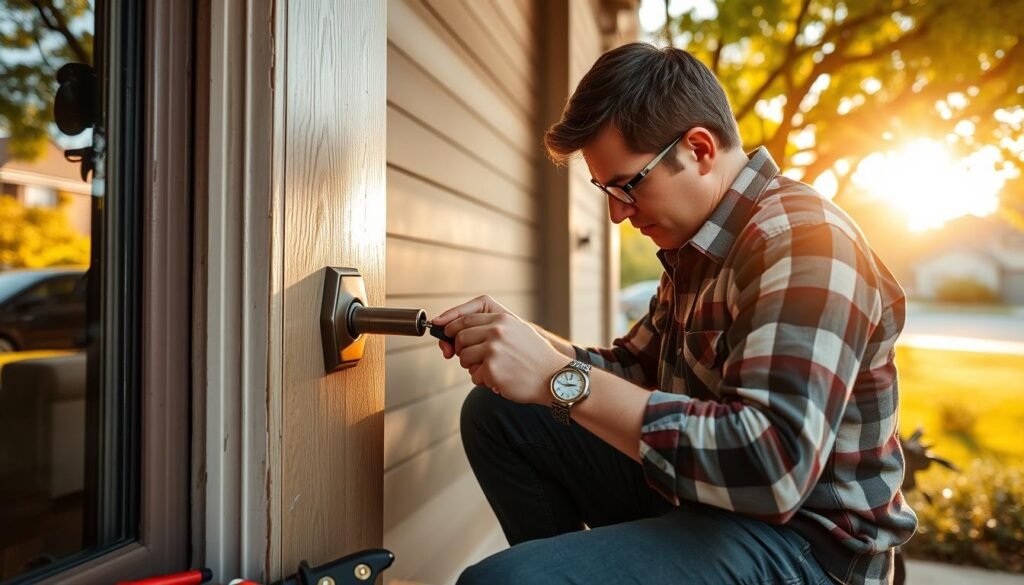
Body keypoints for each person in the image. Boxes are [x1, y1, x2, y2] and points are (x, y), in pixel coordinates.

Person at [432, 43, 917, 585]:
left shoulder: (805, 244)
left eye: (628, 186)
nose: (617, 213)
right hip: (717, 504)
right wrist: (528, 345)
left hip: (811, 547)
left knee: (503, 583)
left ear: (699, 149)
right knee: (501, 415)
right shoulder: (700, 246)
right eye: (605, 191)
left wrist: (555, 377)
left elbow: (771, 466)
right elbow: (632, 369)